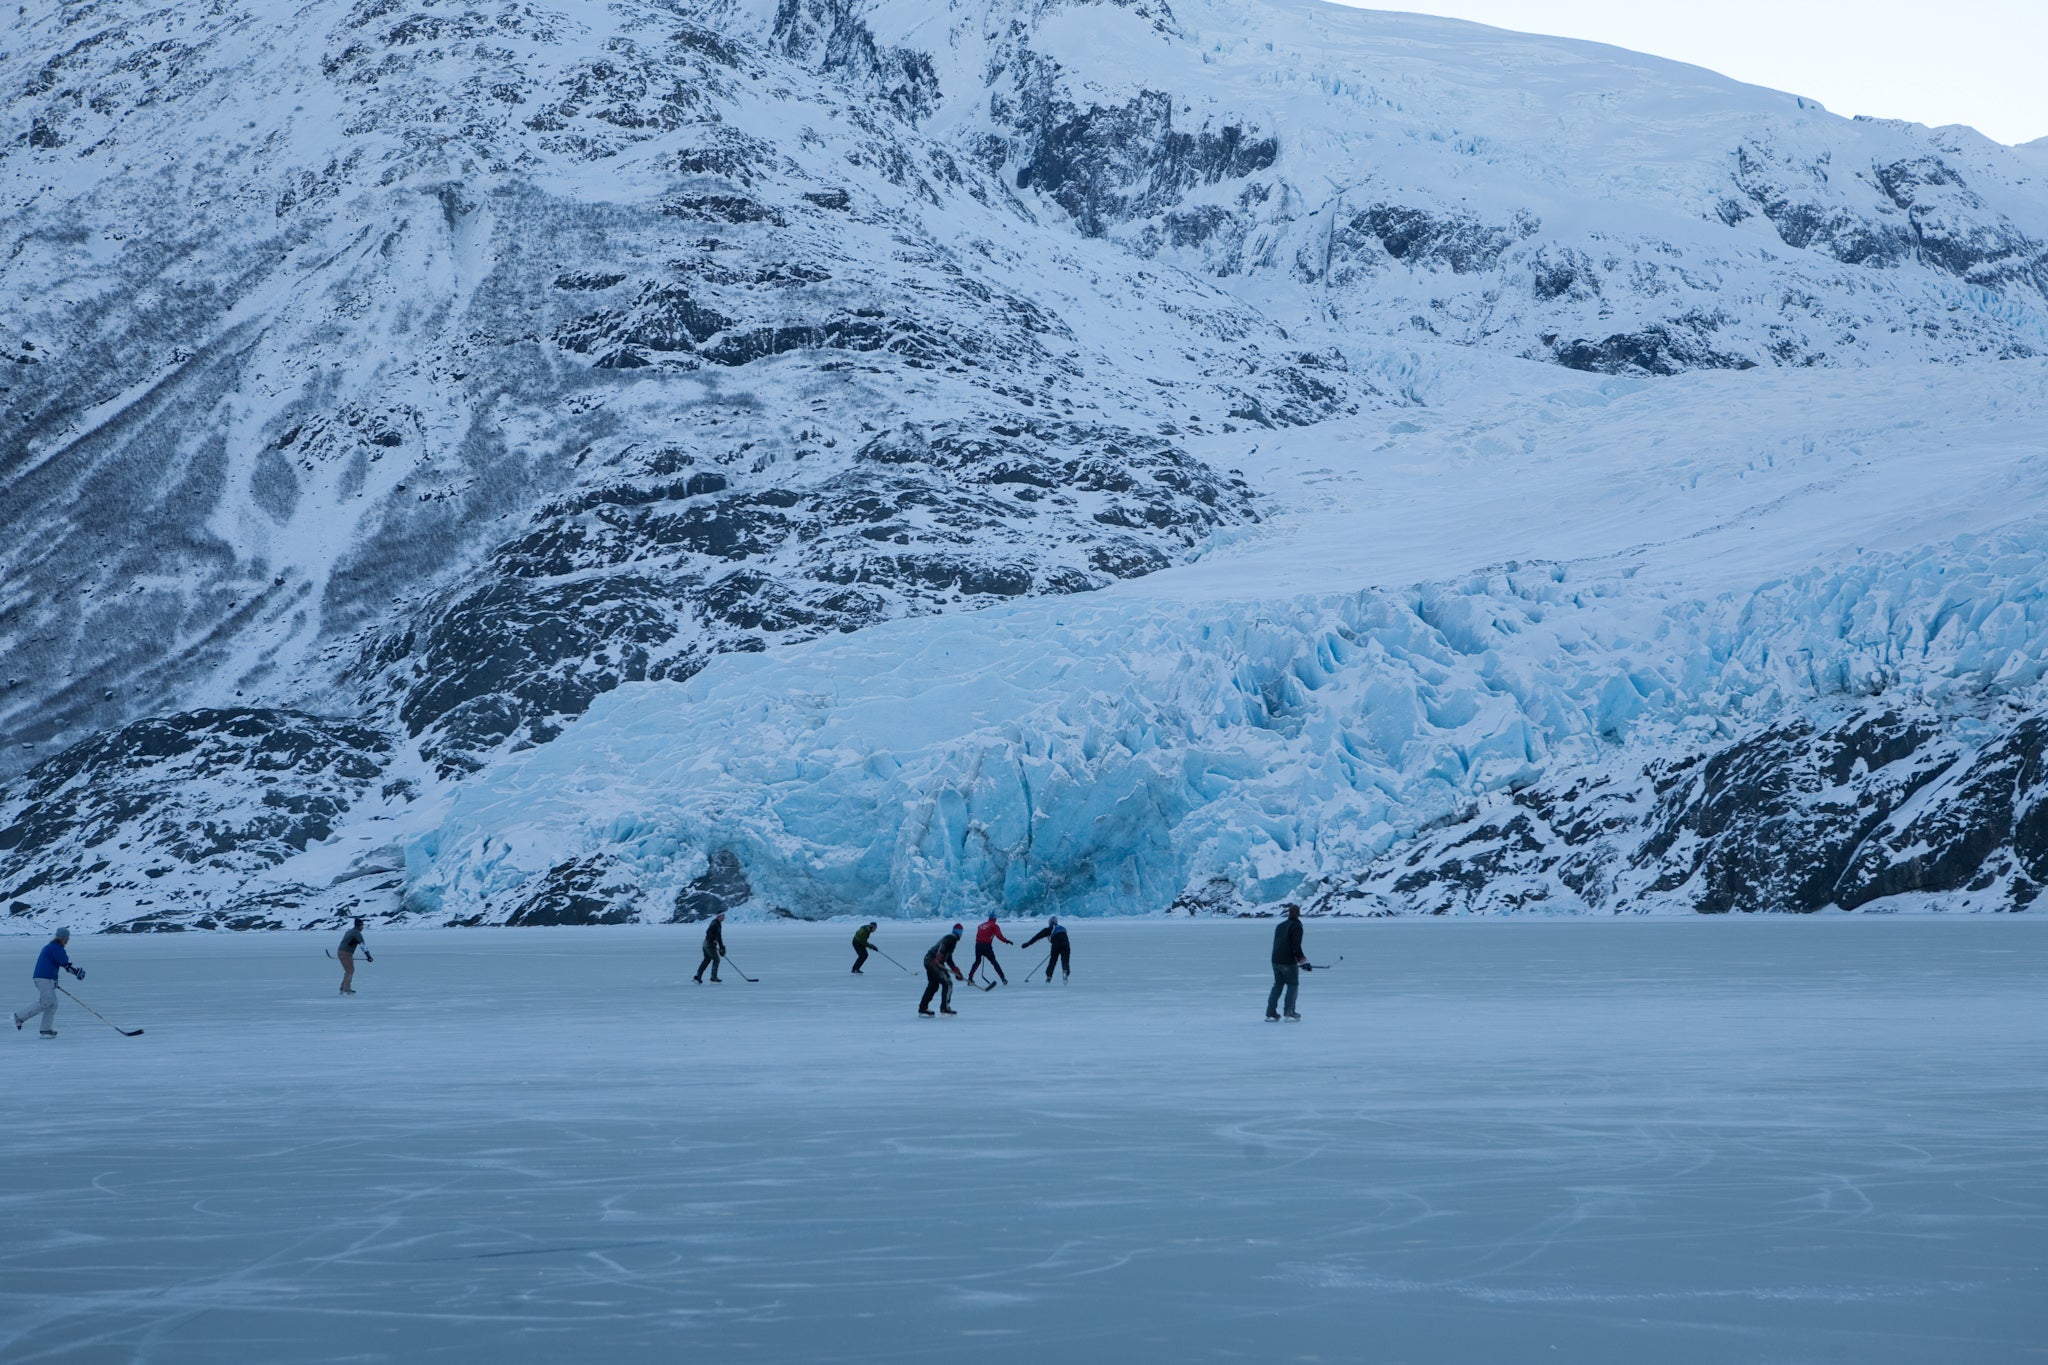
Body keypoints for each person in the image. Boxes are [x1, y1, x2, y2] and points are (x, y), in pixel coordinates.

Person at [13, 927, 83, 1038]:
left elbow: (58, 963)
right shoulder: (55, 948)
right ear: (62, 937)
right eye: (67, 937)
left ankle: (45, 1030)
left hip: (46, 979)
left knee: (53, 1004)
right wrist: (76, 972)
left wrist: (54, 980)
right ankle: (19, 1017)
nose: (68, 940)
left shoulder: (52, 947)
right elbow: (65, 964)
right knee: (46, 1002)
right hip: (44, 978)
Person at [1267, 905, 1310, 1021]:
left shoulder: (1280, 926)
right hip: (1288, 962)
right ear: (1298, 913)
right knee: (1293, 985)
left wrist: (1302, 961)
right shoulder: (1296, 926)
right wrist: (1303, 961)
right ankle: (1289, 1011)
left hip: (1276, 960)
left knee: (1278, 985)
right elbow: (1295, 946)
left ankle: (1271, 1013)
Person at [919, 923, 965, 1016]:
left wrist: (954, 969)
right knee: (947, 983)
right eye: (961, 932)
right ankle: (945, 1008)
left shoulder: (950, 938)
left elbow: (948, 957)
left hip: (928, 960)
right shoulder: (952, 938)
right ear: (959, 933)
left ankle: (923, 1008)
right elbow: (942, 947)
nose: (961, 934)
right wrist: (938, 958)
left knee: (933, 985)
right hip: (933, 961)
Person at [1021, 916, 1070, 980]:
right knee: (1065, 960)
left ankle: (1049, 976)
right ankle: (1065, 971)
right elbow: (1063, 937)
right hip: (1066, 945)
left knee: (1053, 961)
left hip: (1056, 945)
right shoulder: (1063, 928)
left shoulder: (1049, 929)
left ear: (1050, 923)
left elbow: (1037, 936)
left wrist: (1028, 943)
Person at [967, 912, 1011, 985]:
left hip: (978, 945)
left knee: (977, 961)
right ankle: (1003, 978)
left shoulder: (981, 925)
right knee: (994, 962)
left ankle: (970, 978)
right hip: (986, 946)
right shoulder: (994, 926)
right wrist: (1006, 941)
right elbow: (999, 936)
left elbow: (979, 935)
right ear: (995, 918)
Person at [694, 911, 726, 983]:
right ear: (719, 916)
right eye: (723, 916)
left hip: (706, 943)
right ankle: (713, 977)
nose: (724, 917)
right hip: (709, 944)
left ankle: (698, 975)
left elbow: (719, 936)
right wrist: (712, 941)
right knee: (716, 959)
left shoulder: (717, 923)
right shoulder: (715, 923)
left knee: (707, 959)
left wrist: (721, 946)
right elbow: (708, 932)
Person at [337, 917, 367, 995]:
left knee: (349, 970)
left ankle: (343, 987)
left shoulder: (350, 931)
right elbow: (362, 945)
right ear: (359, 926)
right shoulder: (356, 933)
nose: (362, 927)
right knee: (350, 970)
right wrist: (368, 955)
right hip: (345, 953)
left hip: (343, 952)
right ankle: (346, 989)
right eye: (362, 926)